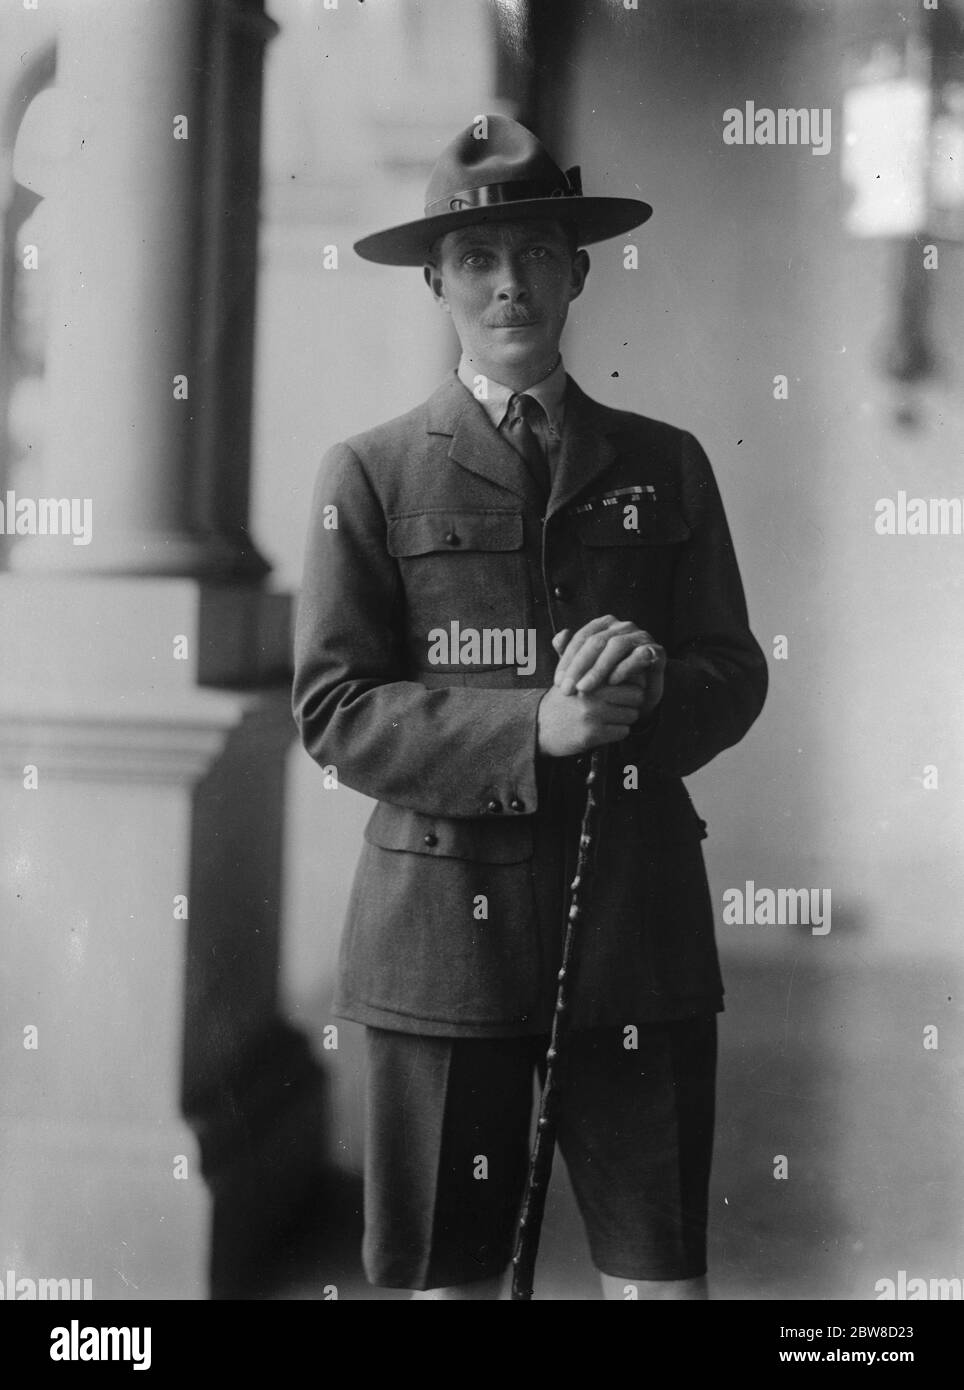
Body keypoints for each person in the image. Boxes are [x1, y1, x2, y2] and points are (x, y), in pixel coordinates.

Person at [292, 114, 768, 1300]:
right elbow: (335, 705)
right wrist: (531, 731)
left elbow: (733, 666)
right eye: (477, 259)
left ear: (578, 271)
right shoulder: (372, 470)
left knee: (659, 1285)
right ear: (437, 282)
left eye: (538, 254)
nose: (510, 283)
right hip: (441, 952)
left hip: (634, 938)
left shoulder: (667, 462)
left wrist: (650, 698)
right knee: (450, 1285)